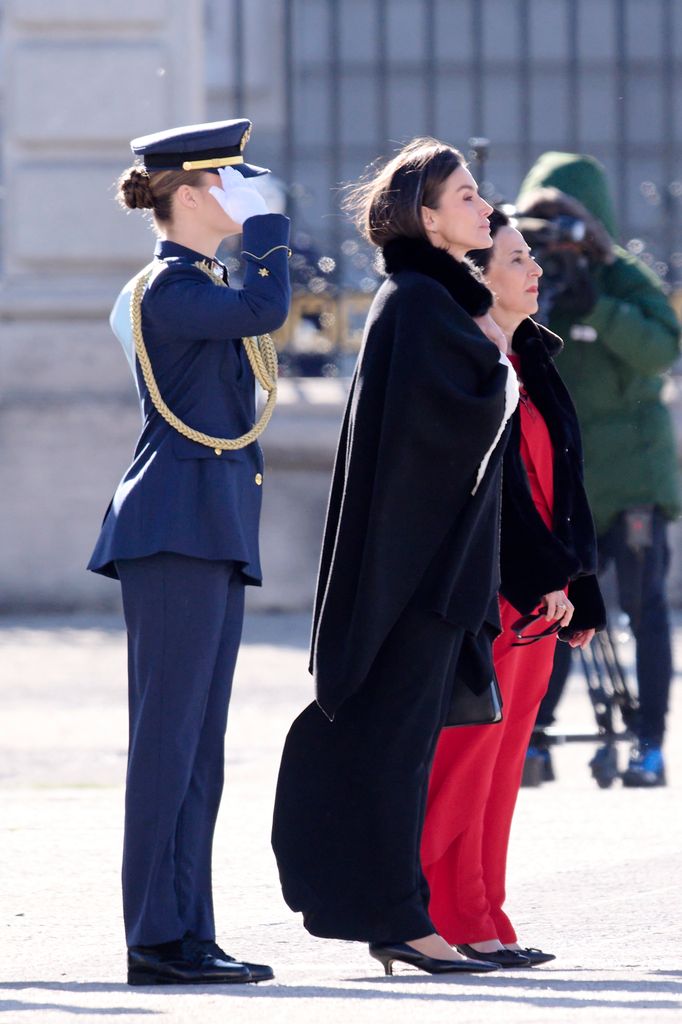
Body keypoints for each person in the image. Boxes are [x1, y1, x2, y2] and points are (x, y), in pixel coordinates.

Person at [271, 137, 519, 977]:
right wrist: (496, 342)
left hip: (437, 567)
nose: (484, 209)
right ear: (425, 215)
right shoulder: (417, 300)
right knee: (393, 745)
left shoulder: (440, 299)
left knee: (409, 746)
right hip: (410, 572)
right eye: (467, 197)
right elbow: (438, 430)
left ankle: (401, 917)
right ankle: (398, 920)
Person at [87, 118, 291, 985]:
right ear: (189, 193)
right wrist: (272, 232)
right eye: (228, 182)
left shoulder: (195, 282)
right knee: (167, 742)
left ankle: (190, 932)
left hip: (207, 525)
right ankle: (155, 938)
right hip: (173, 526)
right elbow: (266, 308)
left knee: (199, 747)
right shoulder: (170, 287)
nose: (240, 195)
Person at [421, 209, 606, 968]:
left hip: (540, 596)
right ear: (480, 275)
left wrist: (579, 582)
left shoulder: (532, 354)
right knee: (468, 757)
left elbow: (564, 482)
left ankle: (487, 915)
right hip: (496, 591)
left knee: (504, 761)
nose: (534, 270)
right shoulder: (474, 361)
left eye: (532, 256)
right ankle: (449, 915)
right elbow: (494, 489)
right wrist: (539, 581)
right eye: (517, 258)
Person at [516, 152, 681, 787]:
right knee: (555, 608)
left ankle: (649, 742)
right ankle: (533, 735)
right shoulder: (525, 277)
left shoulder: (622, 277)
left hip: (633, 483)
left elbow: (661, 349)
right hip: (564, 484)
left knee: (644, 608)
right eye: (542, 223)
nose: (554, 238)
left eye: (567, 223)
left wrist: (599, 307)